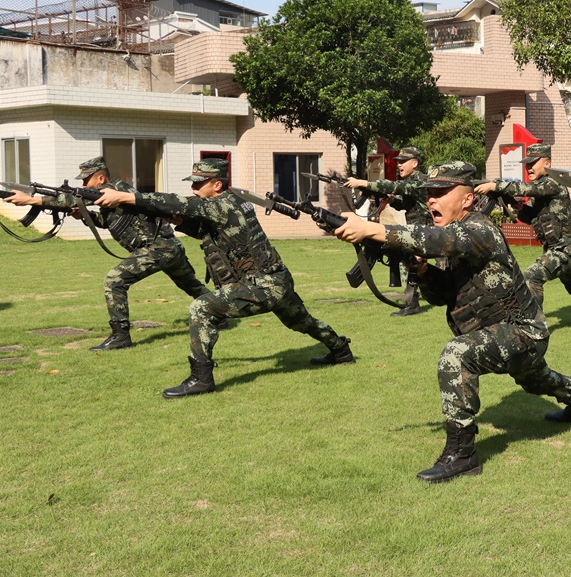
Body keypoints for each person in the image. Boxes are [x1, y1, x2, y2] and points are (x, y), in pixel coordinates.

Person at [333, 161, 571, 483]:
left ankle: (462, 455)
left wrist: (372, 229)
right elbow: (444, 294)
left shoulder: (479, 229)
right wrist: (423, 272)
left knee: (457, 355)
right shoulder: (455, 237)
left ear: (467, 199)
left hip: (523, 332)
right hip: (501, 333)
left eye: (441, 193)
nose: (431, 200)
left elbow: (434, 239)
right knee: (537, 380)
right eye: (429, 194)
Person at [95, 158, 353, 399]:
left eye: (199, 184)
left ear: (217, 185)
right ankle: (341, 350)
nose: (194, 189)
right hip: (276, 279)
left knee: (201, 308)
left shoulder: (220, 204)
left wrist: (124, 197)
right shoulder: (233, 201)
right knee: (302, 321)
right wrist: (181, 222)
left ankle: (201, 379)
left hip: (262, 284)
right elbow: (214, 231)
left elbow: (174, 201)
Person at [3, 156, 210, 351]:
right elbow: (108, 222)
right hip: (168, 248)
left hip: (158, 249)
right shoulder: (110, 198)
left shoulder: (117, 189)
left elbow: (70, 199)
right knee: (192, 286)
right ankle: (219, 316)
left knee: (114, 280)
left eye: (87, 180)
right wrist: (84, 216)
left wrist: (31, 200)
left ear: (101, 179)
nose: (84, 185)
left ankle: (121, 335)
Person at [475, 143, 571, 324]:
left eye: (533, 163)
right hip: (559, 249)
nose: (529, 167)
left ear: (547, 163)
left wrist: (495, 185)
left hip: (565, 250)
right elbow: (534, 218)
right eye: (527, 164)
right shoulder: (541, 191)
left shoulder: (552, 183)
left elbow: (525, 188)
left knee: (532, 276)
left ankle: (535, 324)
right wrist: (520, 208)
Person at [343, 146, 430, 317]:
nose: (399, 165)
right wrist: (392, 201)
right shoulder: (410, 182)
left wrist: (363, 183)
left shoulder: (420, 180)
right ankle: (412, 303)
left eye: (403, 162)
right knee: (410, 263)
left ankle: (419, 301)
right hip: (417, 231)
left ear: (415, 163)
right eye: (399, 162)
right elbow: (406, 202)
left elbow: (394, 186)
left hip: (429, 232)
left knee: (427, 265)